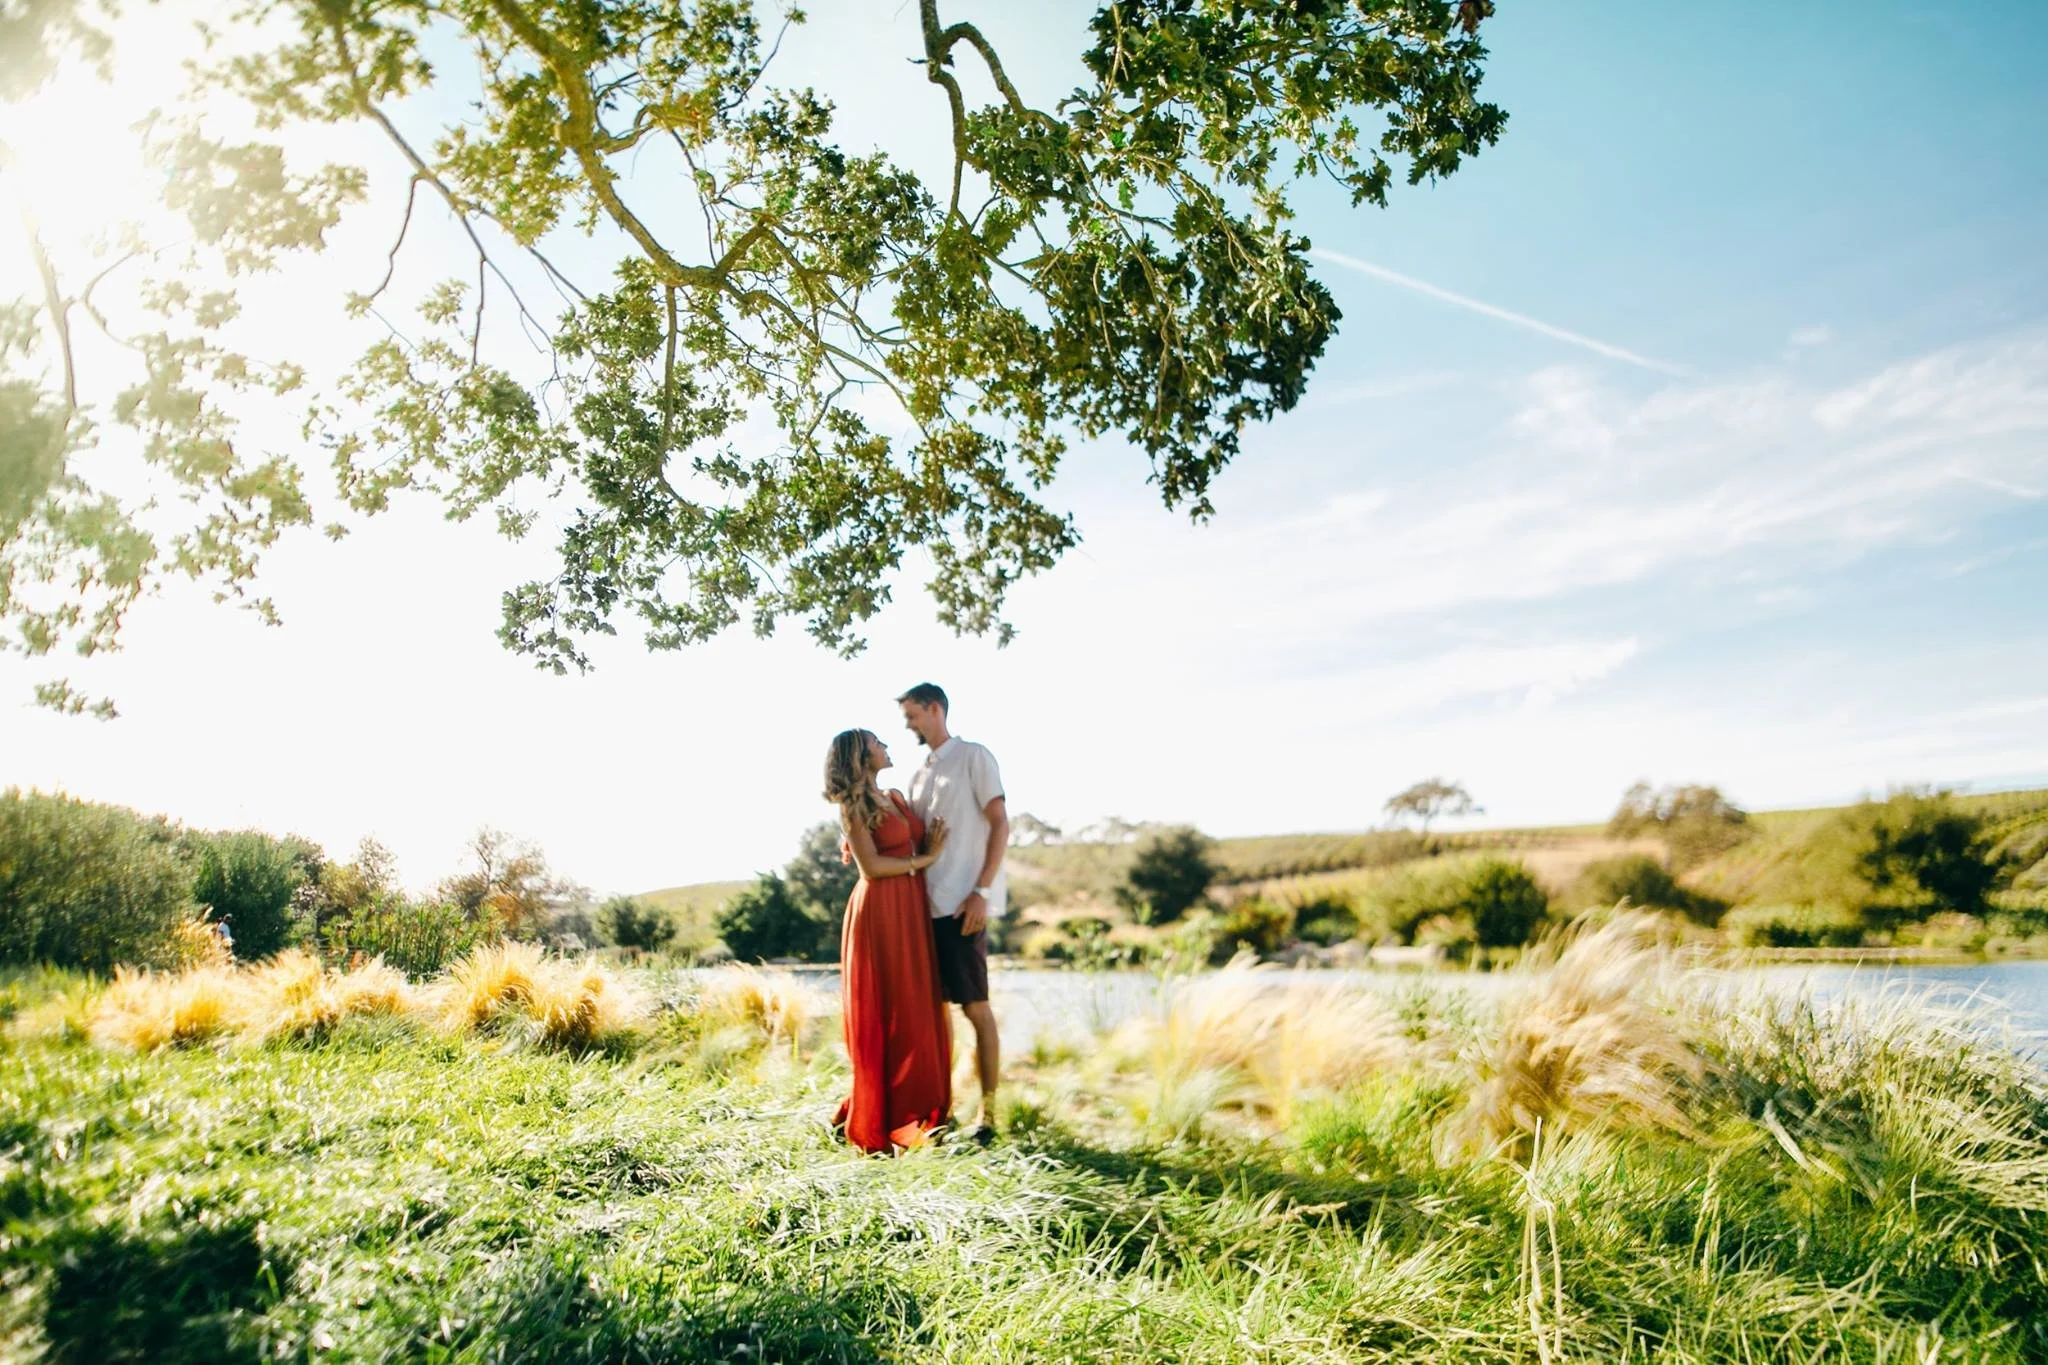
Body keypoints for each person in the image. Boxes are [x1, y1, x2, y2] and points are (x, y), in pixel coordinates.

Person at [824, 727, 954, 1153]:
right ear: (861, 758)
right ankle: (872, 1119)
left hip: (910, 909)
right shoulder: (852, 807)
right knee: (887, 1011)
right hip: (880, 912)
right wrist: (927, 858)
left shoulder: (895, 797)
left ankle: (896, 1112)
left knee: (915, 1010)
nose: (885, 747)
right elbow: (872, 868)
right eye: (877, 744)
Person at [899, 682, 1008, 1144]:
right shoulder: (918, 774)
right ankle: (940, 1111)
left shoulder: (973, 756)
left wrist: (982, 891)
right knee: (934, 1014)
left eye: (912, 715)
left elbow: (1000, 823)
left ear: (934, 708)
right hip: (922, 910)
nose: (908, 724)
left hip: (963, 905)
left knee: (975, 1007)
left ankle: (989, 1115)